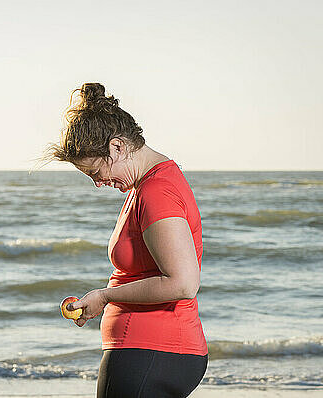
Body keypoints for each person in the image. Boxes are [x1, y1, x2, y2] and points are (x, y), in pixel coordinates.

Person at [44, 83, 208, 398]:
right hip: (153, 351)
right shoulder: (146, 185)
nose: (97, 183)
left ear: (118, 147)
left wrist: (105, 296)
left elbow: (183, 283)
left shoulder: (156, 191)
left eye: (95, 171)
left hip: (152, 349)